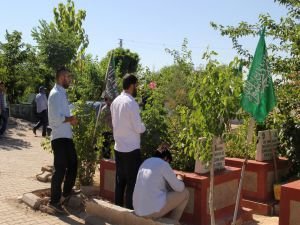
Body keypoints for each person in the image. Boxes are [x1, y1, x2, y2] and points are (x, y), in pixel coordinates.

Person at [110, 74, 146, 209]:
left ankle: (118, 211)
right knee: (131, 183)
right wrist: (144, 126)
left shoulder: (115, 101)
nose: (137, 88)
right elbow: (138, 127)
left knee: (120, 182)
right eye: (136, 85)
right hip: (131, 149)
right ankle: (129, 214)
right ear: (131, 85)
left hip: (118, 147)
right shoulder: (131, 103)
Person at [48, 67, 79, 213]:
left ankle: (66, 194)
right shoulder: (54, 94)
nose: (70, 79)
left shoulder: (62, 94)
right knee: (60, 170)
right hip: (59, 138)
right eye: (68, 76)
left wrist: (71, 119)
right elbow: (55, 119)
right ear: (61, 77)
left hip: (66, 136)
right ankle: (54, 202)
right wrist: (69, 119)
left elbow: (64, 115)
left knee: (73, 164)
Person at [133, 144, 189, 223]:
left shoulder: (145, 162)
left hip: (138, 210)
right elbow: (179, 188)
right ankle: (173, 222)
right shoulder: (163, 164)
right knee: (185, 193)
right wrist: (179, 179)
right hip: (150, 211)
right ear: (166, 158)